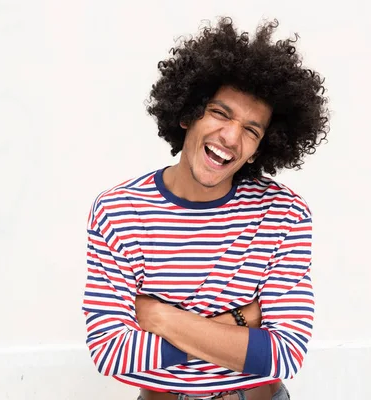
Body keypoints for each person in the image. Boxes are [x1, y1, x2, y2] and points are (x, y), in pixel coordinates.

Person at [82, 16, 329, 400]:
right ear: (186, 114)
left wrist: (162, 318)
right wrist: (243, 320)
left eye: (252, 130)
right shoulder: (119, 210)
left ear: (259, 150)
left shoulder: (284, 213)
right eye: (220, 113)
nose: (230, 137)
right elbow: (111, 352)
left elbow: (285, 354)